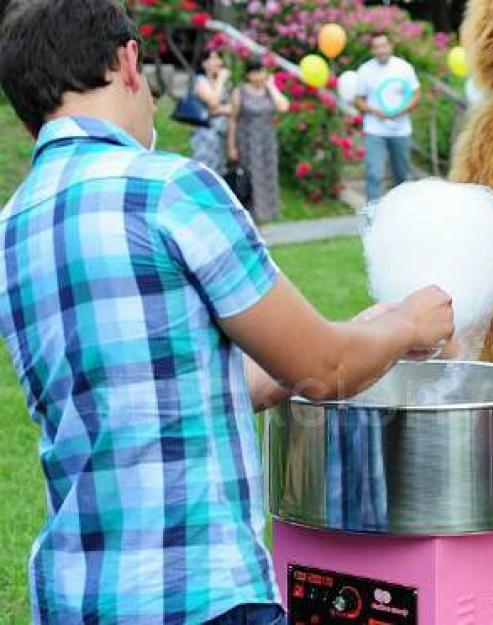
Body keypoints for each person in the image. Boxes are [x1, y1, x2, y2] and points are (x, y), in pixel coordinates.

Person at [0, 2, 454, 624]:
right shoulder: (168, 189)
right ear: (129, 61)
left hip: (74, 597)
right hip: (199, 593)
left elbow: (166, 391)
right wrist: (408, 327)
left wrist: (372, 326)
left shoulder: (10, 228)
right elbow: (325, 370)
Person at [355, 31, 421, 202]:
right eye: (376, 47)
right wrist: (374, 111)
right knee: (374, 173)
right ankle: (373, 216)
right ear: (372, 50)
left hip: (400, 130)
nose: (381, 50)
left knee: (401, 175)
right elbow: (359, 100)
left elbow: (416, 95)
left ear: (390, 46)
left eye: (383, 45)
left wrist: (402, 110)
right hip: (374, 130)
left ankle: (401, 214)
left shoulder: (404, 68)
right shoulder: (365, 70)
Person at [228, 58, 289, 223]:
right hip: (247, 143)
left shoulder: (269, 91)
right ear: (248, 74)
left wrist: (271, 86)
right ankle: (251, 218)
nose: (258, 76)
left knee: (268, 177)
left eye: (261, 71)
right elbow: (233, 120)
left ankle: (266, 216)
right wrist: (231, 146)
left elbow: (283, 107)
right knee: (250, 180)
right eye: (254, 72)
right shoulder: (239, 92)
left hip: (267, 143)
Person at [190, 49, 231, 174]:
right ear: (203, 63)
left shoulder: (223, 84)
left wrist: (218, 110)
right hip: (205, 135)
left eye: (218, 58)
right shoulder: (200, 81)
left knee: (220, 172)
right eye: (212, 59)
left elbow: (232, 107)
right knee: (205, 170)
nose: (217, 62)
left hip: (222, 134)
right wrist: (221, 80)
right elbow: (214, 102)